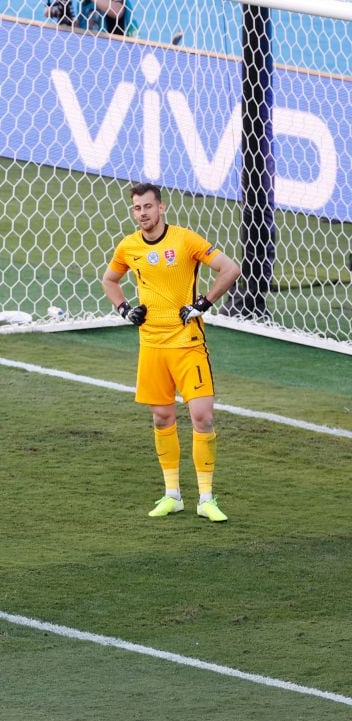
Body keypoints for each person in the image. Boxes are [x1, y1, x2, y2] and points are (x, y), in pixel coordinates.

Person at [101, 183, 241, 522]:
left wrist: (203, 304)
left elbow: (230, 268)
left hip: (187, 344)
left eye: (148, 206)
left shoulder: (184, 240)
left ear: (162, 208)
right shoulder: (128, 247)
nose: (143, 213)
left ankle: (206, 498)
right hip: (151, 346)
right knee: (162, 418)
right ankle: (172, 495)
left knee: (202, 417)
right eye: (137, 208)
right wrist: (124, 310)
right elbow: (110, 279)